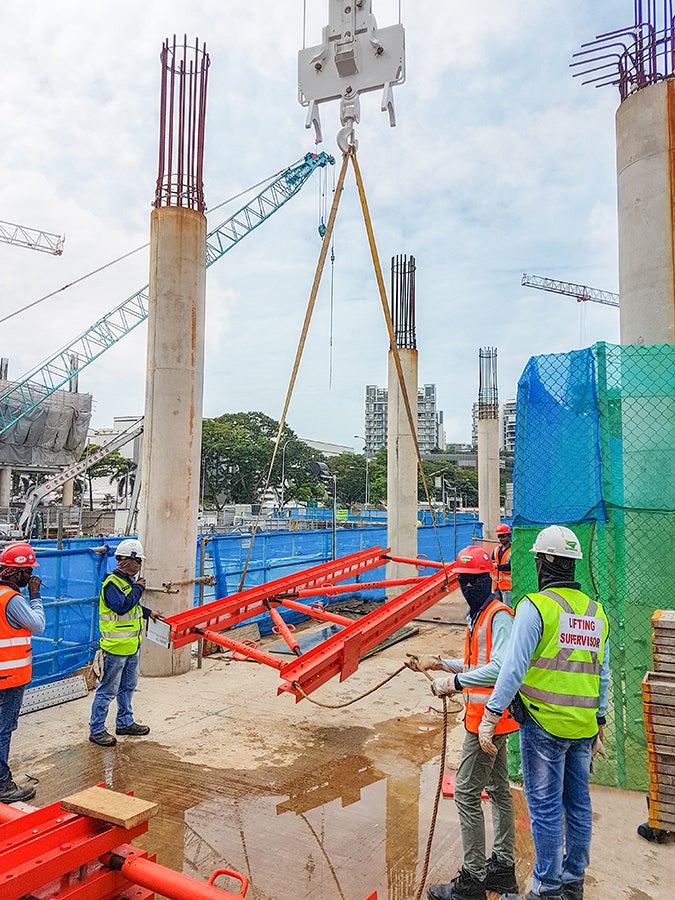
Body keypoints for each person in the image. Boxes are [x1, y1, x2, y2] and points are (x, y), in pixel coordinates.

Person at [477, 525, 610, 900]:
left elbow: (513, 668)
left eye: (538, 559)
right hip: (582, 726)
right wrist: (599, 722)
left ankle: (546, 888)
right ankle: (573, 884)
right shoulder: (595, 612)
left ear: (546, 563)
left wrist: (491, 715)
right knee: (578, 804)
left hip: (543, 725)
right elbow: (603, 672)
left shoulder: (535, 607)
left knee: (547, 808)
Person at [409, 545, 519, 900]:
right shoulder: (478, 616)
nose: (468, 588)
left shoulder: (499, 615)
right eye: (463, 582)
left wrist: (452, 683)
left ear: (487, 580)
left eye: (474, 581)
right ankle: (502, 868)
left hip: (487, 720)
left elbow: (501, 668)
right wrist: (439, 663)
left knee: (468, 794)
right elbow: (476, 663)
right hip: (487, 719)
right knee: (500, 791)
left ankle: (472, 880)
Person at [89, 539, 161, 747]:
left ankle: (125, 721)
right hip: (115, 649)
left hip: (131, 646)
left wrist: (148, 613)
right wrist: (138, 588)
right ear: (124, 560)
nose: (139, 565)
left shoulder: (128, 583)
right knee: (108, 690)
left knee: (128, 687)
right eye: (136, 560)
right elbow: (121, 606)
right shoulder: (112, 584)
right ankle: (96, 729)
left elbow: (132, 608)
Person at [0, 542, 45, 803]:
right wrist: (35, 596)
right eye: (27, 572)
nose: (30, 577)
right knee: (3, 730)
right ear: (15, 573)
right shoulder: (12, 598)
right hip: (8, 678)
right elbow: (37, 625)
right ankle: (3, 785)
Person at [492, 524, 512, 607]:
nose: (500, 539)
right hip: (496, 586)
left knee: (508, 609)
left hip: (507, 587)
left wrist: (497, 566)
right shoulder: (496, 550)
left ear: (509, 536)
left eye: (503, 536)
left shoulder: (513, 551)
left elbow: (511, 567)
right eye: (499, 536)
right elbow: (491, 562)